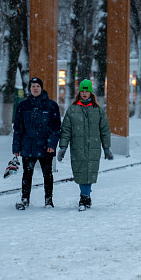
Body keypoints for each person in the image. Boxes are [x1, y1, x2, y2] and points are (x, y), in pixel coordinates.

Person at [57, 79, 113, 211]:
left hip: (93, 147)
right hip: (78, 147)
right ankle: (85, 196)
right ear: (79, 92)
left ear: (91, 93)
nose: (84, 93)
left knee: (90, 172)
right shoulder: (72, 110)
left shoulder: (98, 110)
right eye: (82, 90)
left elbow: (105, 130)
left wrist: (107, 148)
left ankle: (84, 196)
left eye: (87, 90)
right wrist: (63, 147)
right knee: (81, 172)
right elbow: (66, 130)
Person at [12, 77, 61, 210]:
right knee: (27, 174)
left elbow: (56, 128)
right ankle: (25, 200)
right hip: (28, 146)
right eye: (33, 86)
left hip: (46, 147)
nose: (35, 88)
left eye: (37, 86)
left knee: (47, 174)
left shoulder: (51, 106)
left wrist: (52, 144)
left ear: (41, 88)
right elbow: (18, 129)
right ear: (30, 89)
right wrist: (16, 147)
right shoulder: (23, 106)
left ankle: (49, 201)